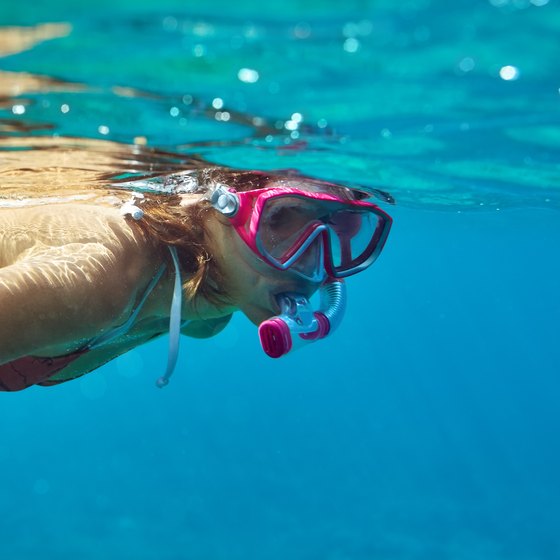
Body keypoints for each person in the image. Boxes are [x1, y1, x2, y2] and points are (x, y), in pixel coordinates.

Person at [0, 164, 392, 392]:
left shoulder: (211, 305)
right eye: (279, 224)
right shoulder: (100, 277)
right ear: (220, 208)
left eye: (341, 235)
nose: (310, 271)